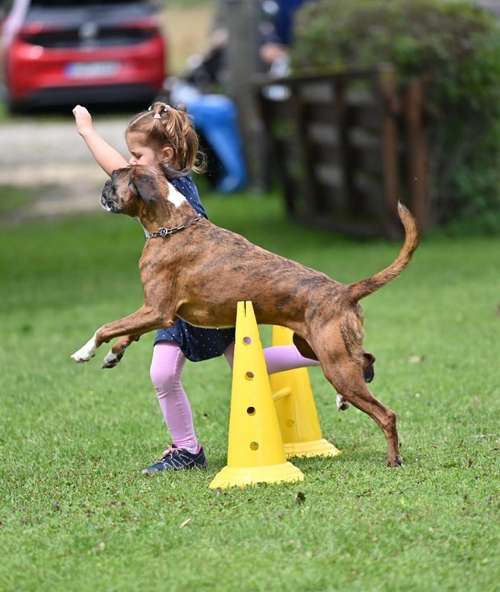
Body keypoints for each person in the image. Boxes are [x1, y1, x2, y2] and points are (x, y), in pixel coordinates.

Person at [73, 101, 320, 474]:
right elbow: (119, 170)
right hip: (188, 291)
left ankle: (332, 356)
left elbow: (114, 168)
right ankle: (188, 449)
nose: (130, 163)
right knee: (210, 368)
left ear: (166, 156)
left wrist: (88, 132)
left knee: (235, 366)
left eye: (137, 154)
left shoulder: (165, 186)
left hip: (203, 295)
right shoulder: (153, 180)